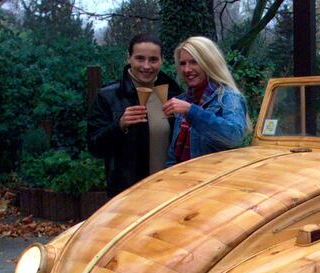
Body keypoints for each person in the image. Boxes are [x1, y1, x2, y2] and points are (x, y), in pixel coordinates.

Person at [88, 33, 182, 197]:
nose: (146, 66)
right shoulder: (108, 96)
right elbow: (94, 147)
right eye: (140, 58)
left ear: (161, 60)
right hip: (128, 193)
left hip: (170, 191)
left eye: (153, 60)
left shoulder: (173, 93)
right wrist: (119, 125)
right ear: (128, 58)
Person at [163, 36, 251, 166]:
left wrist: (192, 111)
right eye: (183, 63)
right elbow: (173, 154)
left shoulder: (228, 97)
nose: (187, 69)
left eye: (194, 62)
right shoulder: (183, 100)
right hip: (181, 181)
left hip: (211, 182)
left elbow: (235, 137)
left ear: (209, 62)